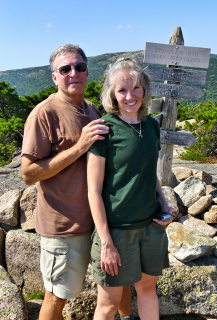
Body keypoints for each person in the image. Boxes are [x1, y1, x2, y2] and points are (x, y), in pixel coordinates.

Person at [21, 44, 133, 320]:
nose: (74, 73)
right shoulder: (43, 114)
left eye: (79, 67)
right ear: (55, 77)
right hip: (64, 227)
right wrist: (79, 146)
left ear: (86, 71)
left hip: (101, 223)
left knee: (119, 284)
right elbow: (28, 174)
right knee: (57, 296)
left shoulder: (92, 109)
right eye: (65, 69)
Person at [87, 57, 173, 320]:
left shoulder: (151, 126)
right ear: (112, 94)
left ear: (145, 89)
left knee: (147, 291)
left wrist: (164, 203)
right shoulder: (104, 130)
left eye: (136, 87)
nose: (130, 95)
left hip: (150, 227)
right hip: (117, 232)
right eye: (122, 90)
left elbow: (149, 174)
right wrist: (106, 243)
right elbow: (93, 190)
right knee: (108, 305)